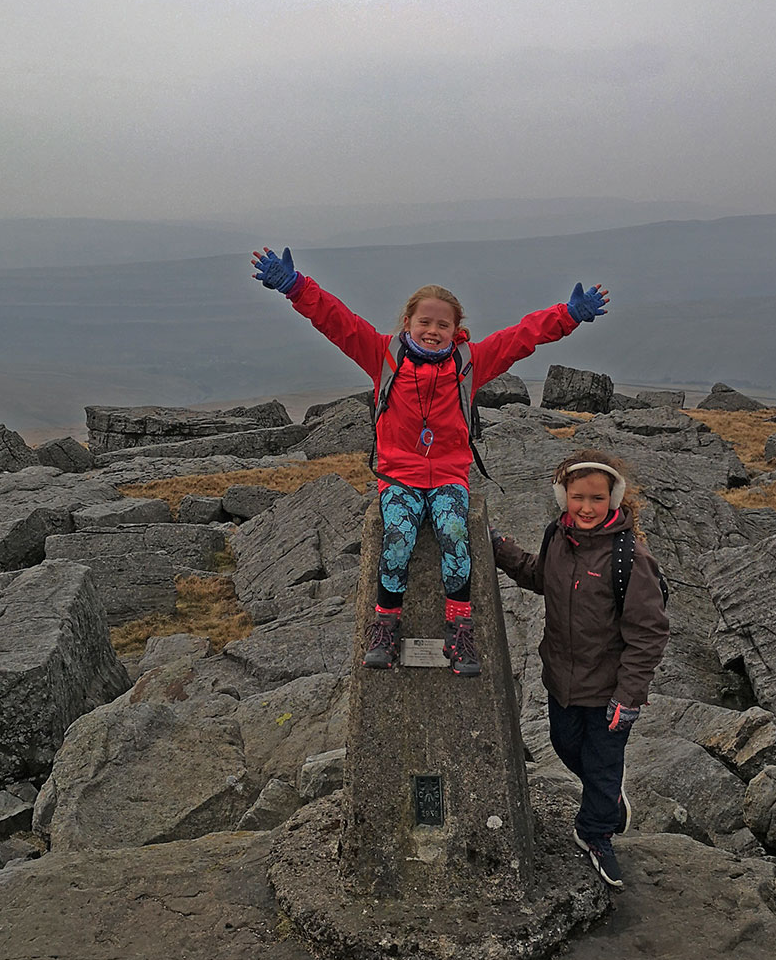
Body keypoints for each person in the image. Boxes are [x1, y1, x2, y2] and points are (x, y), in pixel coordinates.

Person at [252, 245, 610, 676]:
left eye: (443, 324)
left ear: (458, 329)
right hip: (399, 475)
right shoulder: (383, 355)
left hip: (448, 476)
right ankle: (385, 624)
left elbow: (521, 338)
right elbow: (336, 321)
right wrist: (295, 286)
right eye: (425, 322)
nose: (433, 330)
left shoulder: (469, 363)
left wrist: (568, 315)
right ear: (407, 323)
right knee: (398, 538)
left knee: (455, 532)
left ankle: (460, 629)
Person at [490, 450, 669, 887]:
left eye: (596, 497)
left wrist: (628, 697)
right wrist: (499, 550)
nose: (586, 507)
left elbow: (648, 634)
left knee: (603, 767)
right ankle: (607, 799)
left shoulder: (630, 558)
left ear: (614, 498)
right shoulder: (558, 536)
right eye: (577, 497)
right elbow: (540, 577)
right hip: (562, 681)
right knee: (564, 744)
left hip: (610, 691)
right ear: (562, 496)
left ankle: (596, 833)